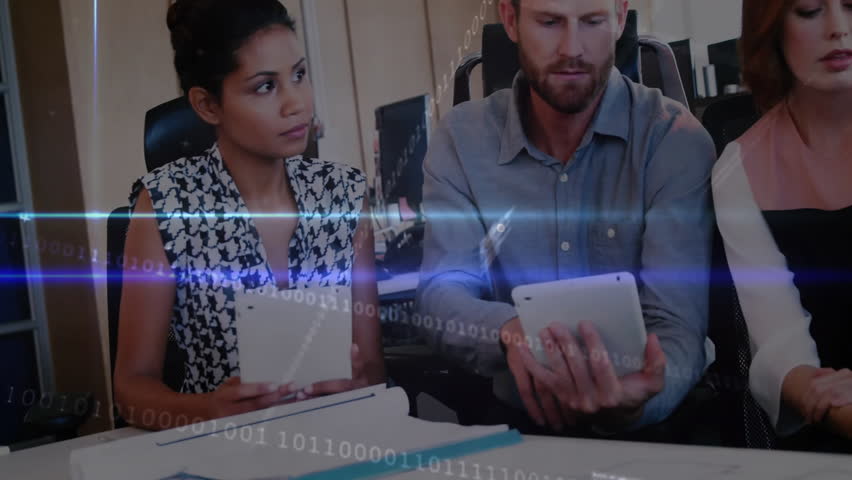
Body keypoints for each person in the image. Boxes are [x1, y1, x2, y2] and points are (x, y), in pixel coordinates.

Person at [416, 0, 716, 434]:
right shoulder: (462, 140)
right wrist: (511, 332)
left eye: (592, 21)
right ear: (511, 19)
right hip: (521, 429)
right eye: (550, 21)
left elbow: (677, 325)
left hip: (657, 428)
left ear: (619, 18)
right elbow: (441, 292)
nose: (572, 48)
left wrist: (635, 402)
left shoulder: (671, 138)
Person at [113, 0, 384, 431]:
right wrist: (208, 412)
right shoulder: (166, 203)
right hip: (218, 455)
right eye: (264, 86)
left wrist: (357, 382)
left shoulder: (344, 194)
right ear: (207, 105)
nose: (296, 103)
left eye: (298, 74)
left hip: (338, 443)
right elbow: (131, 388)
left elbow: (372, 369)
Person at [712, 0, 852, 449]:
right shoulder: (739, 169)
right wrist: (817, 391)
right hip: (832, 428)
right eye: (809, 10)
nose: (838, 29)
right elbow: (779, 343)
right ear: (770, 28)